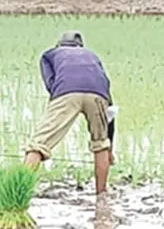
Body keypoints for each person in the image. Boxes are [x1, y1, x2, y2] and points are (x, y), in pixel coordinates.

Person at [24, 31, 116, 195]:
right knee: (101, 144)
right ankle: (101, 195)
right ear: (80, 46)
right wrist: (111, 146)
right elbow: (108, 96)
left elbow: (51, 83)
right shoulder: (92, 55)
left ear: (59, 45)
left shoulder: (49, 55)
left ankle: (21, 190)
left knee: (39, 144)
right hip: (98, 95)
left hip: (67, 92)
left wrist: (58, 103)